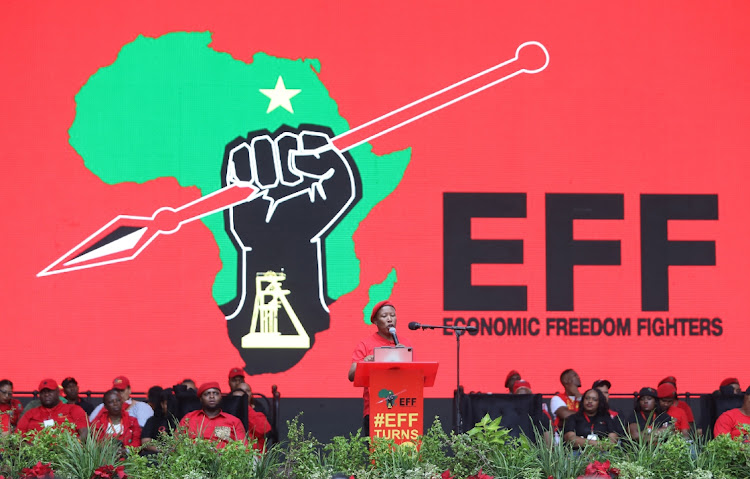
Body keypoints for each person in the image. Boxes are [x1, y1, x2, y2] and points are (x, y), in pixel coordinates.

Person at [348, 300, 412, 436]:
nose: (390, 319)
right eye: (384, 316)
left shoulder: (404, 343)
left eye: (393, 315)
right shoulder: (365, 344)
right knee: (375, 452)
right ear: (375, 322)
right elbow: (351, 375)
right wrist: (364, 362)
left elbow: (416, 373)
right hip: (375, 408)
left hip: (403, 409)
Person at [180, 382, 246, 448]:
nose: (212, 396)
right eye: (207, 394)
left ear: (221, 397)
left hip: (224, 457)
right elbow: (176, 443)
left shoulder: (234, 421)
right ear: (201, 399)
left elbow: (243, 448)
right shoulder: (189, 418)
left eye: (215, 393)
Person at [17, 379, 88, 437]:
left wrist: (72, 449)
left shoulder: (73, 409)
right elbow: (18, 436)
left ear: (58, 392)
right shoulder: (30, 413)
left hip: (67, 452)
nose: (46, 394)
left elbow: (84, 433)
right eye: (43, 392)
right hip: (35, 452)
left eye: (50, 391)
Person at [232, 382, 272, 450]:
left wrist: (246, 408)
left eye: (247, 391)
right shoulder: (226, 412)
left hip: (254, 453)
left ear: (251, 394)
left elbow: (264, 429)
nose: (244, 394)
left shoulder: (258, 411)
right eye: (241, 391)